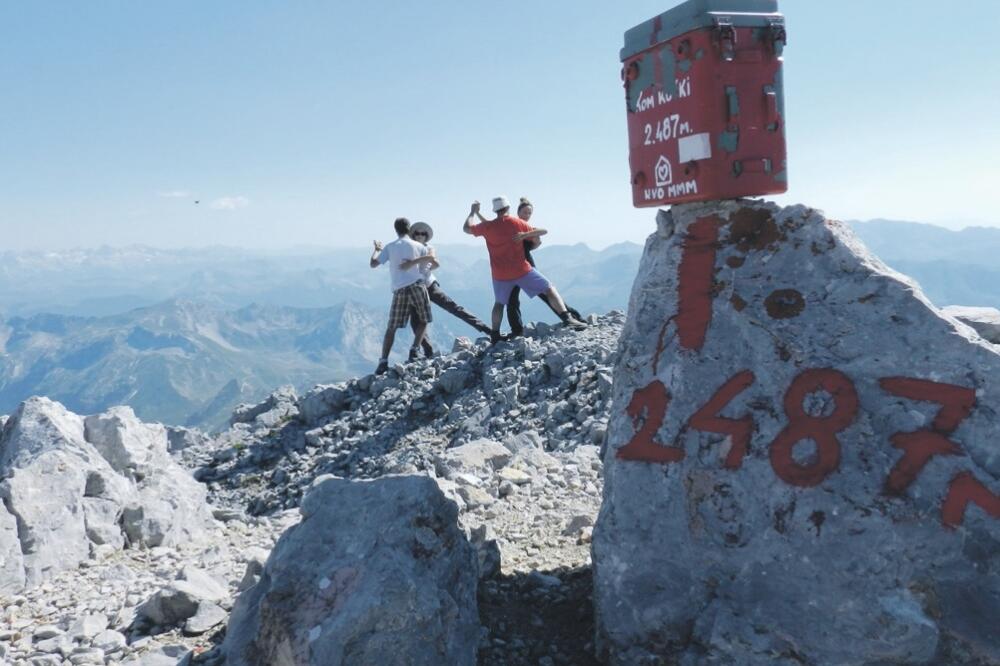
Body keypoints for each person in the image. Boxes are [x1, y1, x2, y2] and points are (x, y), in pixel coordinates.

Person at [463, 196, 587, 338]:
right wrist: (525, 235)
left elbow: (467, 228)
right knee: (549, 289)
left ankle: (496, 335)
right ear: (509, 208)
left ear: (495, 210)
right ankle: (568, 318)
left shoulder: (488, 227)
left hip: (500, 274)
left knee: (500, 304)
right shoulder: (517, 223)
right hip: (521, 270)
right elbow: (543, 231)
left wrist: (473, 212)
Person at [403, 221, 496, 356]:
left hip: (429, 285)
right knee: (415, 321)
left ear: (426, 236)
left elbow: (435, 264)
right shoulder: (408, 250)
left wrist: (426, 261)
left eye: (423, 233)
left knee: (453, 307)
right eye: (417, 233)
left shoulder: (429, 247)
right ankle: (428, 351)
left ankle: (487, 329)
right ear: (413, 235)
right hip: (415, 289)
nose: (420, 235)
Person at [506, 197, 585, 337]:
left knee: (547, 295)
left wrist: (528, 236)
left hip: (527, 267)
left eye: (529, 213)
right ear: (518, 212)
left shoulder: (528, 229)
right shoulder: (513, 226)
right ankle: (516, 331)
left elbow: (541, 234)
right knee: (512, 300)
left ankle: (573, 317)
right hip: (512, 268)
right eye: (525, 212)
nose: (527, 215)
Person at [369, 217, 434, 375]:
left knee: (392, 327)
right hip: (418, 286)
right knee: (424, 319)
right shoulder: (419, 246)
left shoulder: (390, 247)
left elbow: (373, 264)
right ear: (409, 228)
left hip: (400, 289)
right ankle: (415, 349)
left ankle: (383, 361)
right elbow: (428, 263)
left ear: (396, 229)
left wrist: (377, 249)